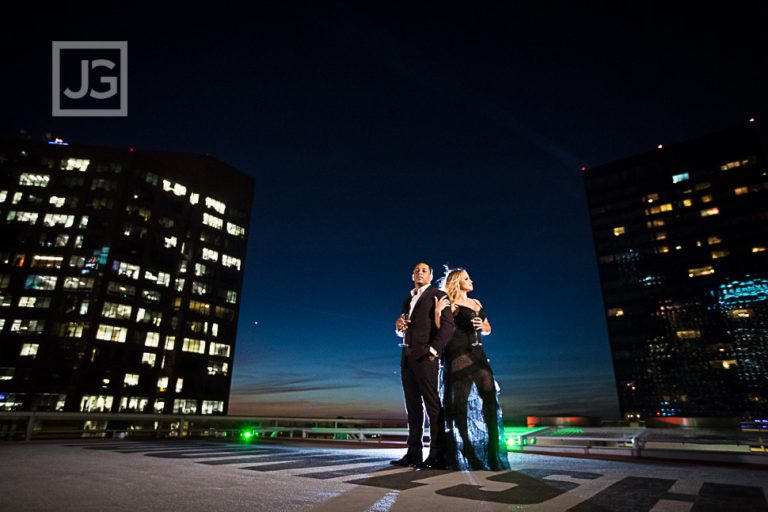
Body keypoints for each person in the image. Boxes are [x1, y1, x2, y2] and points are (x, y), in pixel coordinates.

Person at [435, 268, 510, 471]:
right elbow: (440, 330)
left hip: (479, 355)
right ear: (457, 282)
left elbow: (488, 328)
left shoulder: (477, 302)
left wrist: (481, 326)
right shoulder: (449, 304)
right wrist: (436, 311)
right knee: (459, 404)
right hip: (458, 354)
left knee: (490, 401)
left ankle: (494, 453)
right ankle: (467, 450)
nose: (471, 280)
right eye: (466, 278)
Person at [392, 262, 455, 469]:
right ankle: (413, 453)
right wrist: (399, 328)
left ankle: (437, 454)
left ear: (430, 275)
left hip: (426, 358)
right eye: (417, 270)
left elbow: (447, 327)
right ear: (412, 276)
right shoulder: (407, 300)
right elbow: (404, 329)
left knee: (432, 405)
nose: (420, 273)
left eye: (424, 270)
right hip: (407, 358)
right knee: (412, 407)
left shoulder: (438, 295)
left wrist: (433, 351)